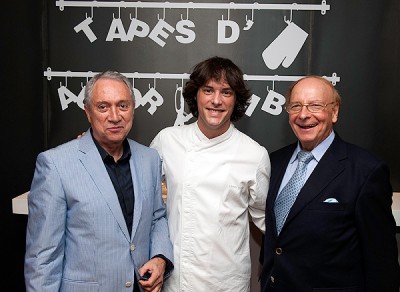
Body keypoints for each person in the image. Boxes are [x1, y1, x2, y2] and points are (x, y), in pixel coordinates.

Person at [24, 71, 174, 292]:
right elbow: (43, 257)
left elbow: (157, 217)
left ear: (133, 108)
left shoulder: (149, 159)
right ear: (88, 112)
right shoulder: (55, 164)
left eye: (123, 106)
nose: (115, 116)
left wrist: (160, 258)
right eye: (103, 107)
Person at [260, 75, 400, 291]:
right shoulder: (274, 162)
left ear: (334, 112)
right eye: (296, 106)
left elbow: (381, 260)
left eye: (315, 105)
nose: (304, 114)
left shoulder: (366, 170)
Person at [150, 56, 271, 291]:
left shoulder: (254, 154)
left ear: (236, 100)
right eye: (208, 90)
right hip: (176, 280)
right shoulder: (167, 140)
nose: (216, 100)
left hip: (227, 281)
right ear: (196, 95)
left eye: (226, 92)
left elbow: (266, 219)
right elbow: (141, 193)